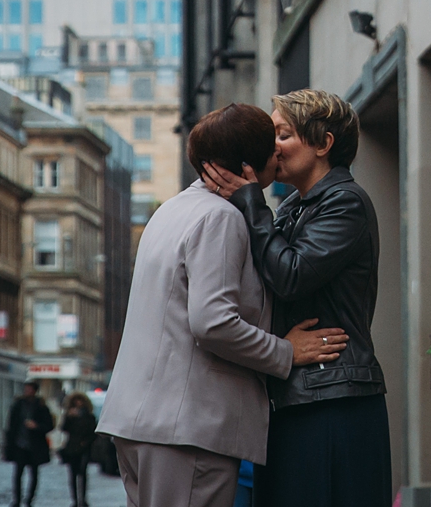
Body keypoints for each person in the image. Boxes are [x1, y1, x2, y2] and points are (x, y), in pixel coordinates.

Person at [102, 103, 347, 507]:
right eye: (274, 147)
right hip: (187, 428)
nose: (280, 154)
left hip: (141, 423)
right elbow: (213, 323)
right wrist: (286, 351)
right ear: (253, 164)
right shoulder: (221, 218)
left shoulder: (172, 210)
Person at [202, 89, 391, 507]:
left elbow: (291, 275)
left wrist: (251, 203)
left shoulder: (346, 202)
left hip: (334, 399)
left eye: (283, 134)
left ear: (323, 144)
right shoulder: (292, 208)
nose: (272, 146)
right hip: (296, 393)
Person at [3, 383, 54, 507]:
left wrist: (36, 426)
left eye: (30, 389)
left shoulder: (41, 406)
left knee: (34, 473)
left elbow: (49, 425)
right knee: (18, 473)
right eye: (26, 389)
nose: (27, 391)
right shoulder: (18, 405)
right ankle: (17, 499)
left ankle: (29, 499)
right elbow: (11, 425)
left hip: (34, 446)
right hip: (19, 445)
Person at [58, 392, 98, 507]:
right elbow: (64, 428)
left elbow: (93, 432)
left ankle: (83, 498)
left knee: (83, 473)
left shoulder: (89, 416)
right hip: (72, 448)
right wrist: (69, 417)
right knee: (73, 474)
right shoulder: (70, 415)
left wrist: (86, 442)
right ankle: (75, 499)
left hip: (84, 448)